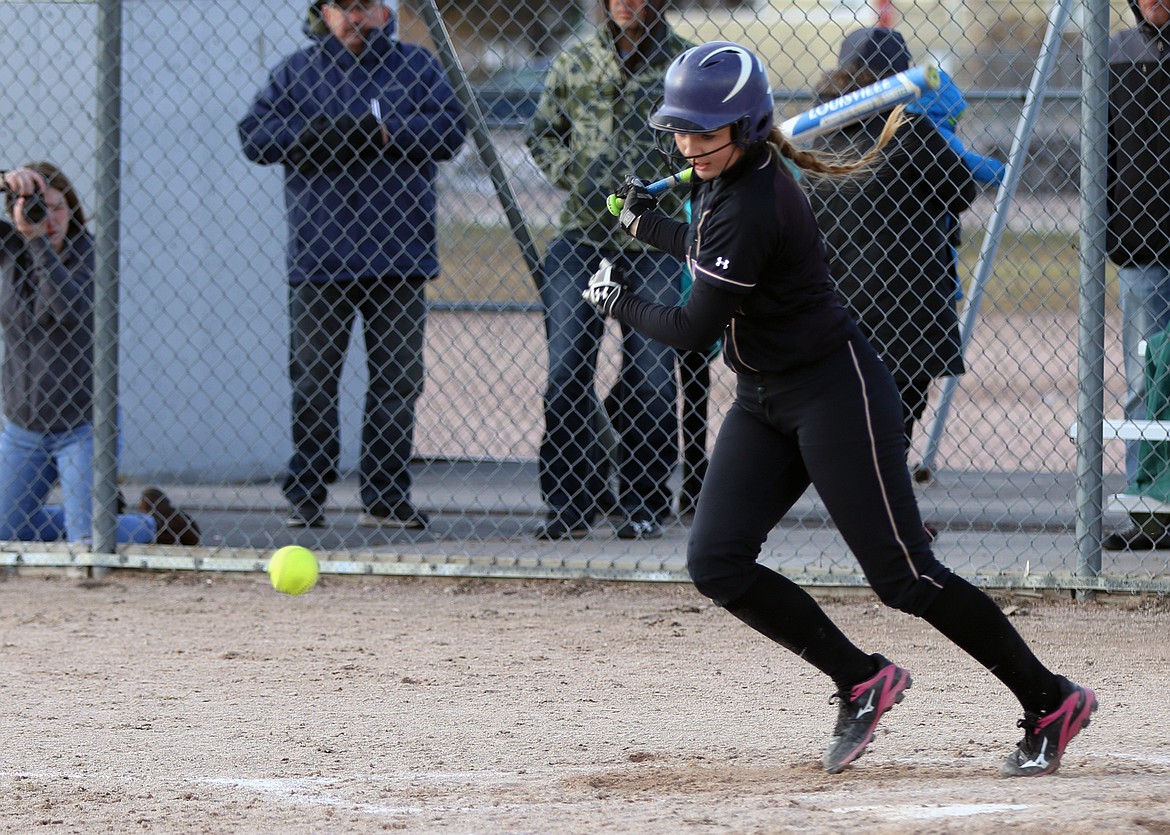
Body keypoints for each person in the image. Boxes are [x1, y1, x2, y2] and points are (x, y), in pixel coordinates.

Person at [585, 40, 1096, 776]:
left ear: (748, 126)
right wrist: (647, 227)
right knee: (717, 559)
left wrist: (616, 299)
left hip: (833, 394)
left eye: (705, 131)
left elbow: (693, 327)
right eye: (682, 131)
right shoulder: (730, 181)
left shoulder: (753, 197)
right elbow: (706, 245)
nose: (689, 145)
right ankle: (860, 679)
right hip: (764, 396)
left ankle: (1050, 699)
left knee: (905, 577)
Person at [238, 0, 465, 530]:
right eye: (341, 8)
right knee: (314, 381)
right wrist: (311, 137)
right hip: (321, 259)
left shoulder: (416, 66)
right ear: (325, 13)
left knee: (398, 380)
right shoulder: (297, 70)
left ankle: (385, 494)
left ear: (384, 12)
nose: (352, 19)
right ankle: (307, 492)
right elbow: (254, 135)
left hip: (399, 257)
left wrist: (388, 134)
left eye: (363, 7)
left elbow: (450, 131)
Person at [525, 0, 693, 541]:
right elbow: (542, 134)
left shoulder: (684, 65)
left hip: (654, 242)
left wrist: (671, 185)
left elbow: (707, 145)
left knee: (650, 376)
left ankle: (643, 502)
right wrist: (573, 173)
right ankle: (570, 503)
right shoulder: (575, 59)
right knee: (567, 370)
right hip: (582, 238)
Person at [0, 164, 200, 546]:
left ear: (72, 208)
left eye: (57, 207)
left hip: (82, 426)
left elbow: (66, 311)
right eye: (37, 207)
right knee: (6, 532)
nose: (49, 217)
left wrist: (38, 241)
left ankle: (155, 525)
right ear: (16, 210)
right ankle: (97, 517)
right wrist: (4, 180)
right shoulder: (10, 249)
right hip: (24, 427)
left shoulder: (91, 256)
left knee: (86, 544)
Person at [806, 28, 975, 454]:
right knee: (896, 420)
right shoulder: (909, 130)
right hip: (907, 302)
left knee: (853, 414)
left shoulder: (819, 134)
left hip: (838, 298)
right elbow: (962, 189)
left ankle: (875, 508)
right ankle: (888, 511)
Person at [1102, 0, 1170, 550]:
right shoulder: (1116, 53)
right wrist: (1114, 229)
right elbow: (1099, 154)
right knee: (1146, 377)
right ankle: (1149, 510)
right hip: (1144, 243)